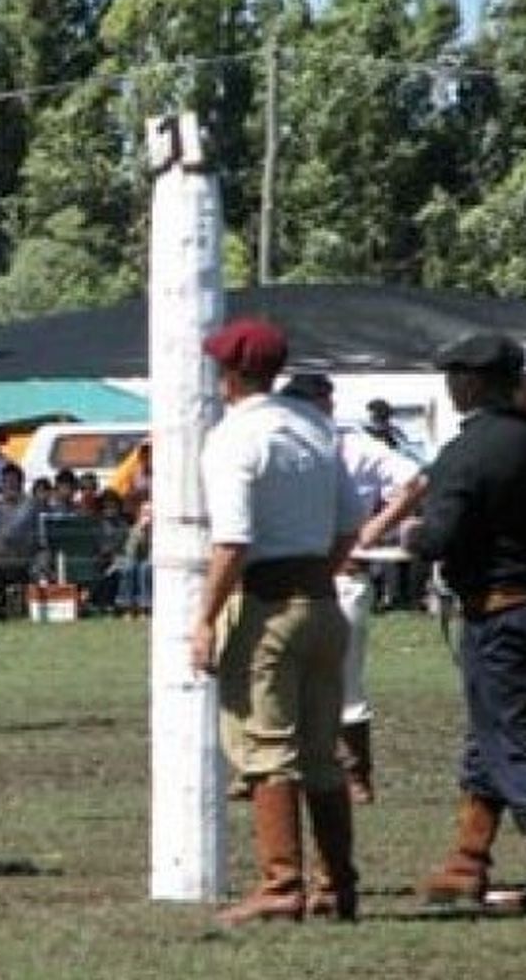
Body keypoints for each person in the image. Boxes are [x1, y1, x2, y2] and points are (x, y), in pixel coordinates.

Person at [406, 332, 526, 913]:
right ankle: (468, 858)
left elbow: (438, 537)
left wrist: (414, 535)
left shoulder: (466, 453)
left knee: (516, 738)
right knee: (495, 732)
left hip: (500, 609)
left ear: (469, 384)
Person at [192, 319, 364, 925]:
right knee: (321, 751)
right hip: (322, 602)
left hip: (269, 604)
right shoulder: (314, 428)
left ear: (229, 376)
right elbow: (351, 522)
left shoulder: (233, 438)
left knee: (267, 746)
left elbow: (232, 539)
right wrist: (321, 570)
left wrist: (205, 619)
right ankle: (338, 884)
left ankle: (281, 883)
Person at [279, 373, 422, 804]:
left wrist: (372, 530)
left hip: (342, 577)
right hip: (291, 576)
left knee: (345, 681)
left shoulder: (354, 445)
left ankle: (355, 774)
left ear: (327, 404)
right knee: (285, 678)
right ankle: (293, 770)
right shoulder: (284, 444)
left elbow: (414, 480)